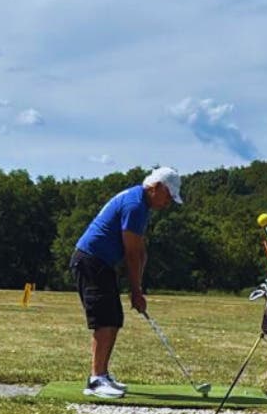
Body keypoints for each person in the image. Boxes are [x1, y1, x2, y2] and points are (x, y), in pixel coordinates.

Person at [69, 166, 182, 398]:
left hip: (101, 263)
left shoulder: (140, 204)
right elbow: (131, 254)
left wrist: (137, 287)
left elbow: (140, 252)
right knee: (104, 320)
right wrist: (136, 291)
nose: (168, 202)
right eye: (168, 196)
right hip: (91, 261)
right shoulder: (135, 205)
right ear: (156, 187)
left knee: (113, 318)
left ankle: (102, 374)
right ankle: (96, 379)